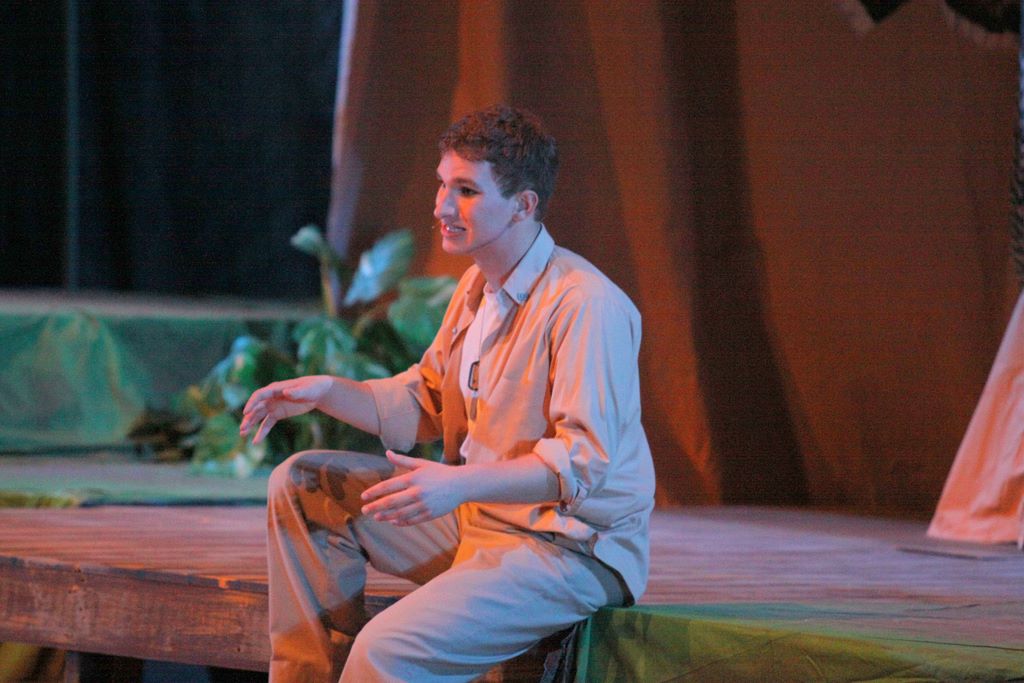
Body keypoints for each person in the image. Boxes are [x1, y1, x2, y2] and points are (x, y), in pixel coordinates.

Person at [240, 104, 655, 682]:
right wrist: (327, 391)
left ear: (523, 205)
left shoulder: (586, 304)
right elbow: (426, 400)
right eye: (443, 185)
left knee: (385, 651)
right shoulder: (477, 287)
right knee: (304, 485)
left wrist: (456, 484)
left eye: (465, 190)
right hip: (478, 520)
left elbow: (581, 462)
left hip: (568, 548)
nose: (441, 206)